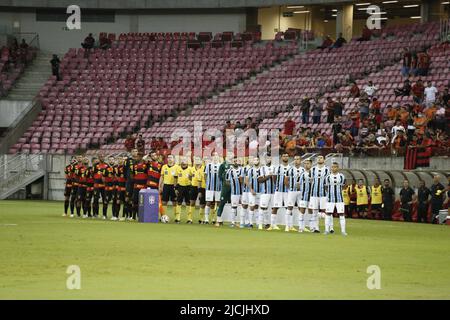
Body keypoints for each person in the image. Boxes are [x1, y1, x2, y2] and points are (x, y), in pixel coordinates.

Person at [324, 162, 347, 235]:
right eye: (333, 167)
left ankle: (343, 231)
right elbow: (326, 187)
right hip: (330, 199)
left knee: (342, 214)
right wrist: (330, 193)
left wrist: (338, 191)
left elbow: (344, 185)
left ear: (338, 168)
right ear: (331, 168)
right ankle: (327, 230)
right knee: (328, 214)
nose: (334, 168)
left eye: (335, 167)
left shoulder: (341, 176)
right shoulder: (327, 177)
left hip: (339, 199)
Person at [308, 155, 330, 233]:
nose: (319, 159)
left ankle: (328, 228)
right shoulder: (313, 169)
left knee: (326, 211)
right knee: (314, 211)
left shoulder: (327, 170)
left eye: (321, 158)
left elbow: (328, 182)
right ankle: (316, 228)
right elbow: (310, 181)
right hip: (314, 193)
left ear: (324, 160)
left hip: (324, 194)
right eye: (318, 158)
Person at [270, 153, 290, 231]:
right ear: (281, 158)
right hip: (278, 191)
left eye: (286, 156)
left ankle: (288, 226)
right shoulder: (277, 167)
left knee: (288, 208)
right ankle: (273, 225)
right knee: (275, 207)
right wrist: (278, 185)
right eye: (284, 156)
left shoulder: (291, 168)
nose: (285, 157)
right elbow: (274, 178)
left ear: (288, 157)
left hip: (288, 191)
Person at [285, 155, 304, 232]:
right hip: (292, 191)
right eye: (295, 159)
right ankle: (287, 226)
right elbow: (286, 180)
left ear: (300, 160)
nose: (296, 160)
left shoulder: (303, 170)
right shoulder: (290, 169)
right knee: (289, 207)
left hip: (301, 192)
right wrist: (289, 188)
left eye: (298, 159)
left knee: (301, 208)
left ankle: (301, 227)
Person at [224, 156, 244, 228]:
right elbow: (227, 181)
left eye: (237, 161)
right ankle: (233, 222)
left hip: (243, 192)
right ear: (232, 162)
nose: (236, 162)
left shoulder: (243, 170)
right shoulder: (229, 171)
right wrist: (232, 185)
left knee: (243, 206)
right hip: (234, 192)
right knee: (234, 206)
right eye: (234, 161)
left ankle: (242, 222)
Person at [204, 152, 222, 224]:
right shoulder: (208, 165)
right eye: (214, 155)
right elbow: (205, 175)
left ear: (218, 157)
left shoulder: (221, 165)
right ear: (211, 157)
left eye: (217, 155)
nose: (215, 156)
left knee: (218, 203)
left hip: (218, 187)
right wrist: (207, 183)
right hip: (209, 187)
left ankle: (216, 218)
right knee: (208, 202)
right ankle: (206, 219)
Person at [256, 156, 273, 230]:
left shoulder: (275, 167)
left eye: (269, 158)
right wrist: (269, 176)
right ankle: (260, 224)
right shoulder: (262, 169)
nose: (268, 159)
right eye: (267, 158)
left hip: (273, 192)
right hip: (265, 192)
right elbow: (259, 180)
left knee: (270, 209)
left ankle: (268, 224)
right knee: (262, 208)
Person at [174, 157, 193, 224]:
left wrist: (191, 180)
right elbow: (175, 178)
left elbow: (193, 178)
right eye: (182, 161)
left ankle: (189, 219)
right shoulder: (178, 168)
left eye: (184, 160)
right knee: (179, 202)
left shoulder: (190, 169)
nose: (183, 162)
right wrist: (175, 188)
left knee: (188, 202)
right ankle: (177, 218)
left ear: (187, 162)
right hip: (180, 187)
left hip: (188, 187)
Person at [159, 154, 178, 219]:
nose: (169, 159)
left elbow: (178, 178)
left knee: (174, 202)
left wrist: (177, 187)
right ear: (167, 159)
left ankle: (176, 217)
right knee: (164, 201)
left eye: (171, 157)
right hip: (166, 185)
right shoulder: (164, 167)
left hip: (173, 186)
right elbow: (162, 176)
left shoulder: (177, 167)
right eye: (168, 157)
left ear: (174, 159)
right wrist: (160, 186)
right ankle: (163, 216)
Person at [215, 154, 233, 227]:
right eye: (228, 156)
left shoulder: (234, 165)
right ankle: (218, 219)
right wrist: (225, 178)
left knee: (234, 204)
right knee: (222, 202)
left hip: (234, 188)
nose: (229, 157)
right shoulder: (222, 165)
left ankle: (233, 221)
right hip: (225, 187)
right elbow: (219, 176)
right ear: (225, 157)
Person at [131, 151, 149, 221]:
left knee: (142, 202)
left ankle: (141, 216)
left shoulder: (146, 165)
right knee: (135, 201)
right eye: (137, 156)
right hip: (136, 186)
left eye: (139, 156)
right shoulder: (134, 165)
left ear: (142, 157)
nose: (137, 157)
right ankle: (133, 216)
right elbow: (132, 175)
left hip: (143, 187)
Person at [245, 156, 262, 229]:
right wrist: (251, 189)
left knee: (257, 207)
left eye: (257, 160)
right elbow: (246, 181)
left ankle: (258, 223)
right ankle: (251, 223)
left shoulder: (262, 170)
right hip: (252, 191)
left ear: (259, 161)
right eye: (254, 160)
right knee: (251, 207)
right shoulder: (250, 170)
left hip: (260, 192)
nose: (256, 161)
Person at [298, 159, 313, 232]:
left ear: (311, 164)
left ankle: (311, 227)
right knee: (302, 211)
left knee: (311, 211)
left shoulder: (314, 174)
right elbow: (298, 184)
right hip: (303, 196)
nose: (306, 165)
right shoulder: (302, 174)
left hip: (312, 196)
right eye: (305, 163)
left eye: (308, 163)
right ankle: (301, 227)